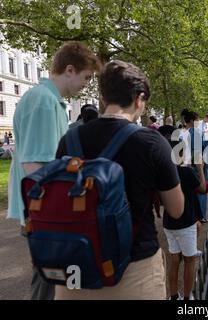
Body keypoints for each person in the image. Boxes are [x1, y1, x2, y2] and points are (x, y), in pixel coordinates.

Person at [54, 60, 184, 300]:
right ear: (139, 98)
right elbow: (176, 209)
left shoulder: (69, 139)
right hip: (134, 273)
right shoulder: (152, 142)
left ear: (103, 97)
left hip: (76, 271)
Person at [7, 41, 101, 300]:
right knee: (49, 285)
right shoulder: (44, 102)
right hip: (45, 214)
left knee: (51, 282)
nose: (86, 84)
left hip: (42, 213)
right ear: (69, 70)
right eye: (86, 77)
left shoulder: (46, 99)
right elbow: (36, 167)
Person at [161, 128, 206, 300]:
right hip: (185, 222)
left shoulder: (164, 172)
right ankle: (187, 298)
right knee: (189, 260)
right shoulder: (186, 172)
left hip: (169, 223)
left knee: (174, 260)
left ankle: (173, 296)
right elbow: (201, 189)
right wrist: (200, 168)